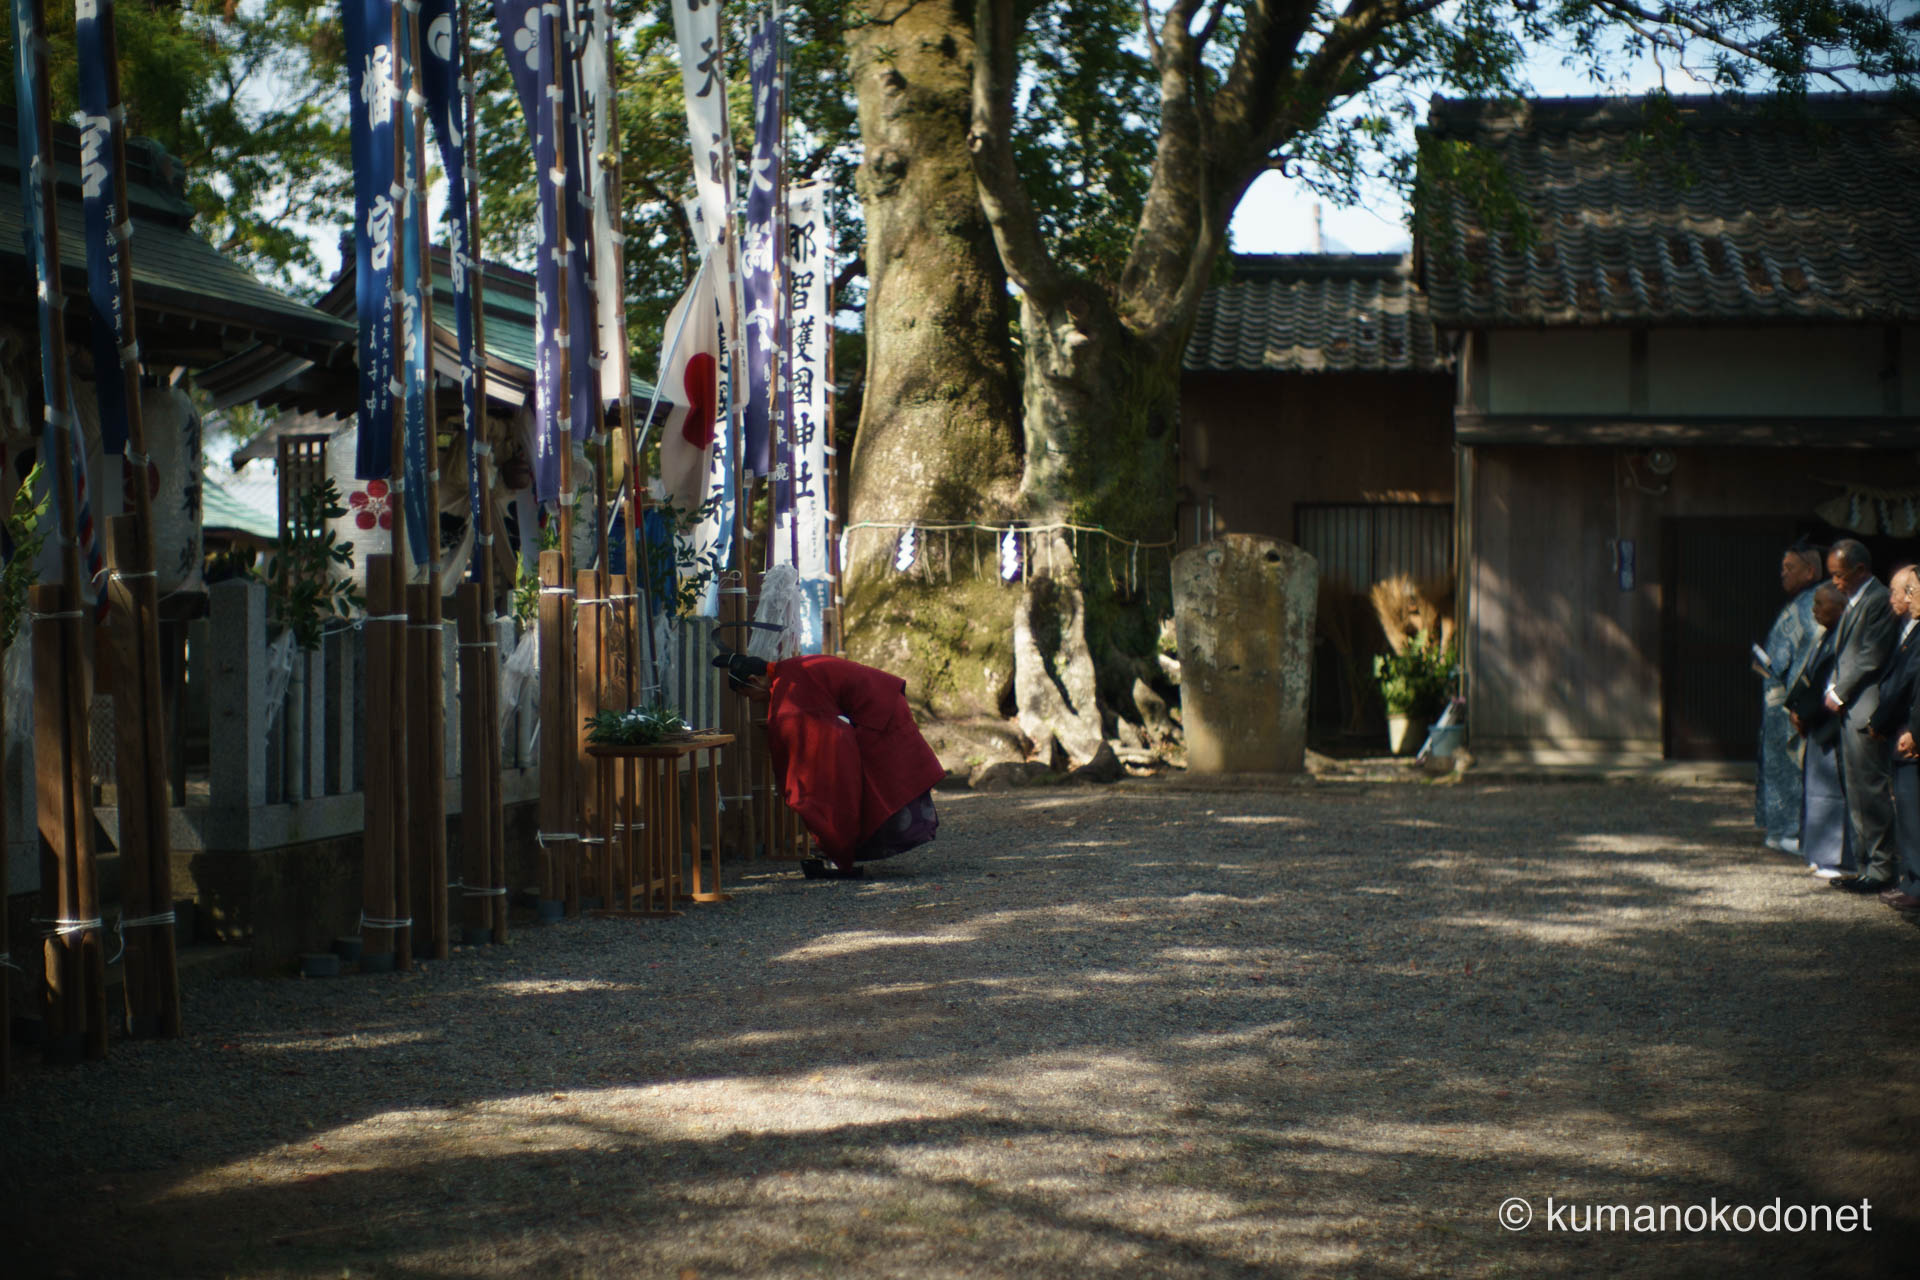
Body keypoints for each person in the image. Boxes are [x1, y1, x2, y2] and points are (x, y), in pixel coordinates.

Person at [714, 649, 945, 880]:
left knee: (875, 780)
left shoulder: (789, 687)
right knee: (870, 779)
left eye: (747, 695)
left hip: (878, 711)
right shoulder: (789, 671)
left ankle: (852, 849)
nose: (752, 701)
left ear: (754, 680)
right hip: (880, 701)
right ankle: (854, 848)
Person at [1823, 539, 1898, 892]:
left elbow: (1871, 654)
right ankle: (1864, 863)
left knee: (1870, 788)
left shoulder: (1878, 599)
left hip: (1864, 704)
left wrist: (1839, 689)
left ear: (1860, 570)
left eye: (1839, 576)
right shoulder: (1856, 601)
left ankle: (1881, 868)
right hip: (1850, 705)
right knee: (1854, 788)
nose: (1835, 583)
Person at [1756, 547, 1824, 853]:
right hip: (1777, 696)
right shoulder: (1797, 603)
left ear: (1810, 571)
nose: (1783, 573)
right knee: (1776, 764)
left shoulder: (1813, 604)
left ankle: (1790, 829)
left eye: (1790, 567)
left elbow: (1806, 659)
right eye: (1782, 567)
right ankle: (1776, 827)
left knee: (1790, 765)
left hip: (1792, 700)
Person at [1788, 584, 1852, 877]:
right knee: (1814, 789)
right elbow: (1809, 679)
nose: (1815, 610)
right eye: (1814, 604)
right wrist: (1796, 708)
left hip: (1831, 722)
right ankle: (1816, 850)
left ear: (1840, 608)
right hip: (1814, 721)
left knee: (1830, 791)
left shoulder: (1843, 638)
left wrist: (1805, 711)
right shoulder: (1824, 636)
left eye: (1821, 605)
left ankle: (1835, 858)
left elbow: (1829, 684)